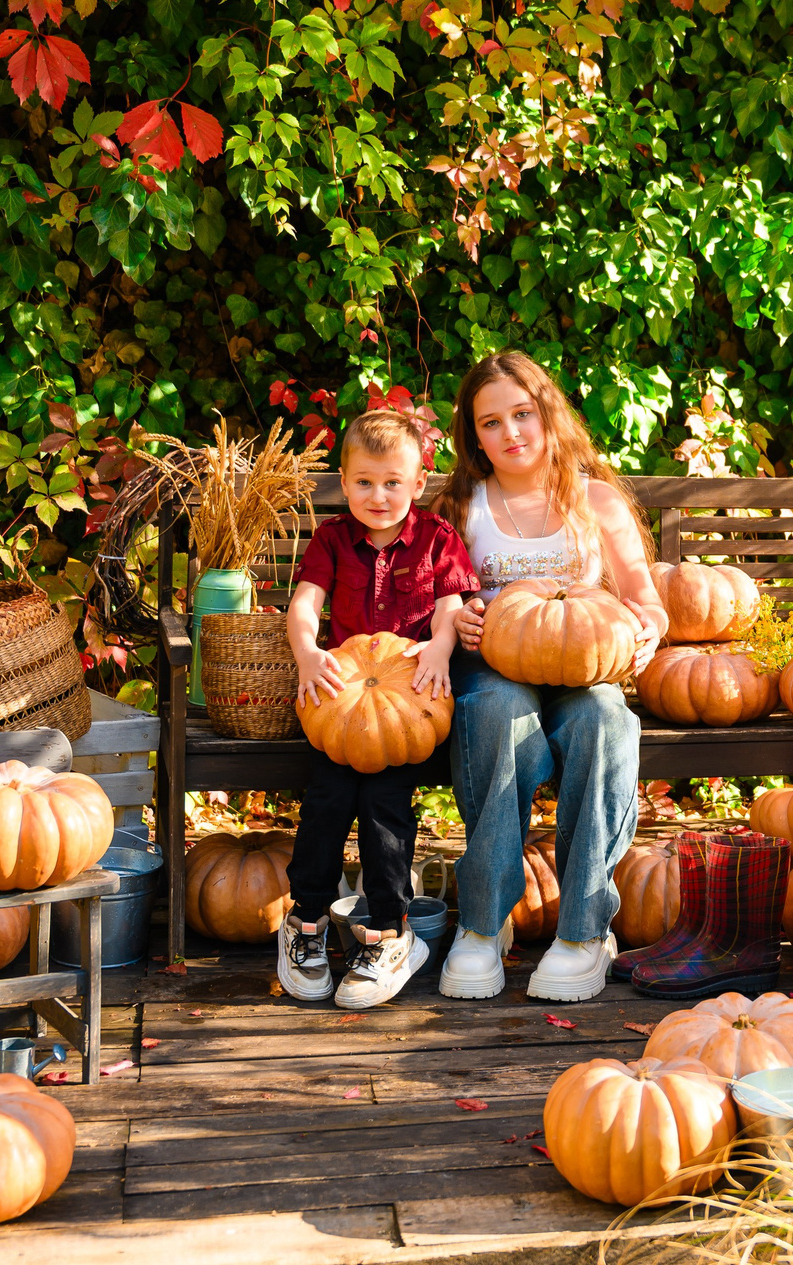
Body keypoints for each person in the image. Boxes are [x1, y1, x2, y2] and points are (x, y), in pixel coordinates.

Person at [435, 352, 666, 1002]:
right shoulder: (462, 504)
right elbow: (434, 593)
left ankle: (584, 929)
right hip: (494, 663)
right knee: (495, 714)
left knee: (607, 720)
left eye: (522, 413)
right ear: (472, 434)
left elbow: (645, 597)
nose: (510, 431)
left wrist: (647, 628)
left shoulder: (594, 499)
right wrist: (459, 617)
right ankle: (484, 922)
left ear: (547, 413)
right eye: (491, 421)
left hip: (580, 665)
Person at [279, 409, 477, 1009]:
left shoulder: (438, 537)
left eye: (393, 482)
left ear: (419, 483)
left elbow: (450, 607)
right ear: (344, 482)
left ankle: (389, 931)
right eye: (364, 482)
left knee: (386, 810)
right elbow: (305, 604)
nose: (378, 495)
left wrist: (441, 649)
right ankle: (306, 921)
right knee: (327, 801)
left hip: (410, 702)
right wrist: (308, 653)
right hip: (339, 696)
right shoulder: (332, 539)